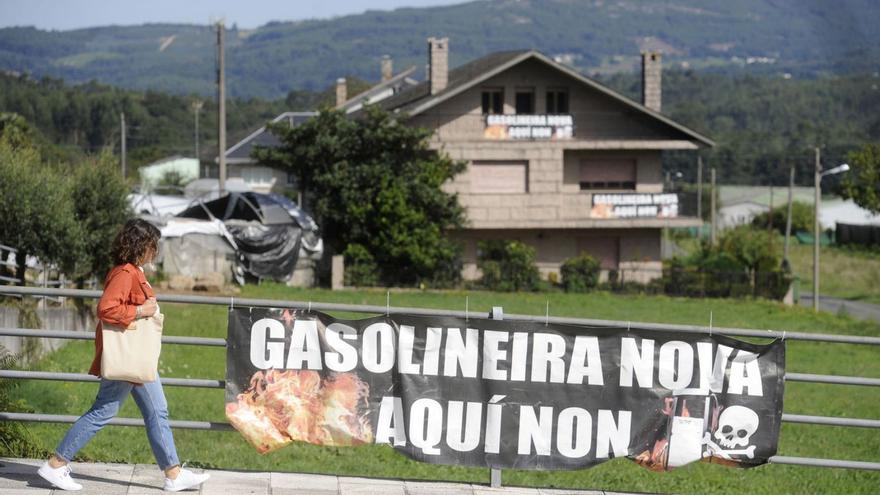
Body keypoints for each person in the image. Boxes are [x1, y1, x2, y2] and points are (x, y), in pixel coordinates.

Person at [38, 219, 210, 492]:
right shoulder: (125, 274)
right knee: (104, 411)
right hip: (127, 357)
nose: (156, 250)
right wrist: (141, 311)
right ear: (141, 245)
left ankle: (173, 474)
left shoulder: (132, 271)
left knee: (158, 411)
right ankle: (56, 465)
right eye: (153, 245)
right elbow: (107, 308)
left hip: (137, 358)